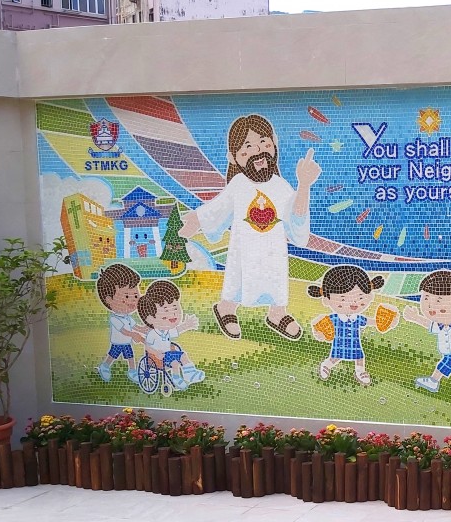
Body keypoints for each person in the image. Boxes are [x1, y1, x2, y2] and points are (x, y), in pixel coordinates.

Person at [178, 114, 319, 342]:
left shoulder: (281, 186)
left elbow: (296, 219)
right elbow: (216, 210)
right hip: (244, 249)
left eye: (263, 143)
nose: (258, 151)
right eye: (248, 147)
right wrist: (192, 223)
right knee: (237, 277)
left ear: (274, 144)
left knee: (275, 278)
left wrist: (304, 185)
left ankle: (277, 313)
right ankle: (226, 308)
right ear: (233, 157)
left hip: (273, 249)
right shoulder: (239, 184)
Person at [308, 265, 395, 386]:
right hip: (339, 344)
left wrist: (387, 322)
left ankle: (360, 371)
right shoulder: (334, 318)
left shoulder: (357, 318)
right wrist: (319, 333)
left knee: (359, 357)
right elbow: (321, 327)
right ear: (327, 300)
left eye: (360, 297)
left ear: (369, 296)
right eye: (343, 299)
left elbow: (372, 322)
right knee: (335, 356)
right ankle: (326, 365)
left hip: (355, 344)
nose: (354, 302)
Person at [137, 280, 205, 391]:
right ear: (150, 318)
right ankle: (176, 379)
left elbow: (178, 330)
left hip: (168, 354)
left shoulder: (166, 331)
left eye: (175, 308)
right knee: (174, 363)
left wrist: (187, 325)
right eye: (165, 312)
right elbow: (147, 347)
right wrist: (156, 353)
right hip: (158, 357)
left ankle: (190, 374)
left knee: (183, 355)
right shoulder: (153, 334)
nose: (173, 314)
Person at [95, 263, 145, 384]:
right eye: (127, 296)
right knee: (112, 355)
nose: (133, 300)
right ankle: (105, 366)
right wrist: (133, 335)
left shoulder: (128, 317)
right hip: (118, 342)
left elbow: (135, 326)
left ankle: (132, 371)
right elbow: (123, 331)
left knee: (130, 356)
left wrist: (144, 329)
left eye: (135, 295)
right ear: (109, 300)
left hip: (127, 342)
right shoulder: (115, 318)